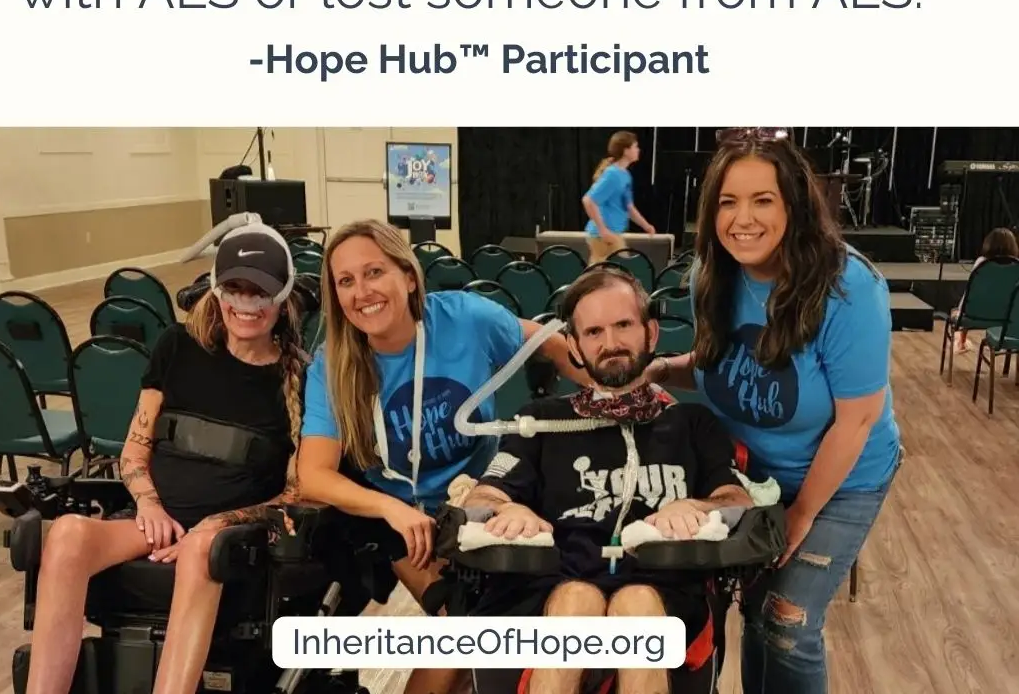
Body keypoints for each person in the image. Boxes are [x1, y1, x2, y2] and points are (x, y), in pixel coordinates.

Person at [652, 128, 902, 694]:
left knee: (788, 622)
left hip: (843, 480)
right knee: (756, 611)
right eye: (728, 202)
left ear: (793, 204)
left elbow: (857, 418)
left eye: (763, 200)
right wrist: (669, 368)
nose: (744, 218)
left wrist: (803, 513)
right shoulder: (711, 275)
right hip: (752, 474)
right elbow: (732, 365)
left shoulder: (848, 287)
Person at [295, 218, 592, 694]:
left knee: (493, 624)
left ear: (408, 276)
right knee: (464, 626)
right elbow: (312, 475)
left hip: (481, 502)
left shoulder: (465, 319)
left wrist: (612, 394)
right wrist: (390, 509)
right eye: (345, 281)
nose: (361, 292)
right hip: (395, 515)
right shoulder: (333, 364)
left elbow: (552, 344)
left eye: (374, 273)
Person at [24, 225, 308, 694]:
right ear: (216, 292)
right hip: (154, 522)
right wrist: (149, 504)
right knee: (69, 533)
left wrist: (214, 525)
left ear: (282, 297)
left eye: (259, 291)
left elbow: (297, 491)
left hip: (228, 539)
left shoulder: (298, 377)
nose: (246, 303)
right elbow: (136, 449)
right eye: (234, 288)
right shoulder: (177, 347)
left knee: (200, 549)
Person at [462, 266, 753, 694]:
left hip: (664, 591)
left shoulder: (692, 422)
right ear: (575, 347)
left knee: (635, 605)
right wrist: (509, 509)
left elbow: (738, 500)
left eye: (623, 325)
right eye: (594, 332)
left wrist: (696, 506)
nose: (611, 343)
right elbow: (481, 496)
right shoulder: (541, 421)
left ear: (651, 333)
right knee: (577, 603)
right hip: (553, 589)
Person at [582, 130, 655, 264]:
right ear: (626, 150)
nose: (638, 150)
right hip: (603, 237)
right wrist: (602, 229)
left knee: (610, 275)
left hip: (613, 235)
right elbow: (589, 200)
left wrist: (646, 226)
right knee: (608, 276)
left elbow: (629, 207)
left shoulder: (624, 175)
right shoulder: (612, 175)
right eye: (635, 147)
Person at [952, 226, 1019, 351]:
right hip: (1006, 317)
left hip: (974, 314)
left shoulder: (981, 263)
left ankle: (961, 341)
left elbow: (970, 294)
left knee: (963, 309)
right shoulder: (1016, 267)